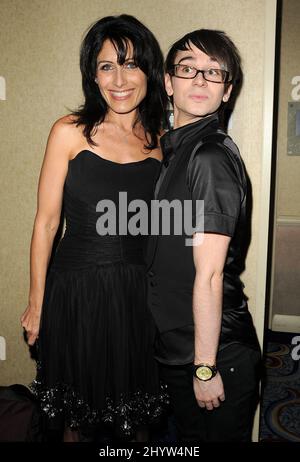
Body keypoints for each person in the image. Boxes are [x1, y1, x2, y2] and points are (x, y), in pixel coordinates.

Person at [21, 14, 168, 442]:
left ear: (149, 71)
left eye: (131, 64)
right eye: (107, 66)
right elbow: (46, 223)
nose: (119, 79)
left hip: (137, 294)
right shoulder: (69, 132)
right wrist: (37, 302)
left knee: (134, 417)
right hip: (76, 292)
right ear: (93, 74)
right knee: (75, 419)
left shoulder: (160, 138)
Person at [147, 29, 261, 442]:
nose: (199, 80)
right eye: (188, 68)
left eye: (213, 73)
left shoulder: (210, 156)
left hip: (216, 356)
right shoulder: (178, 151)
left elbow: (210, 276)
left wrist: (205, 367)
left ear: (227, 91)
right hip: (182, 348)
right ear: (168, 82)